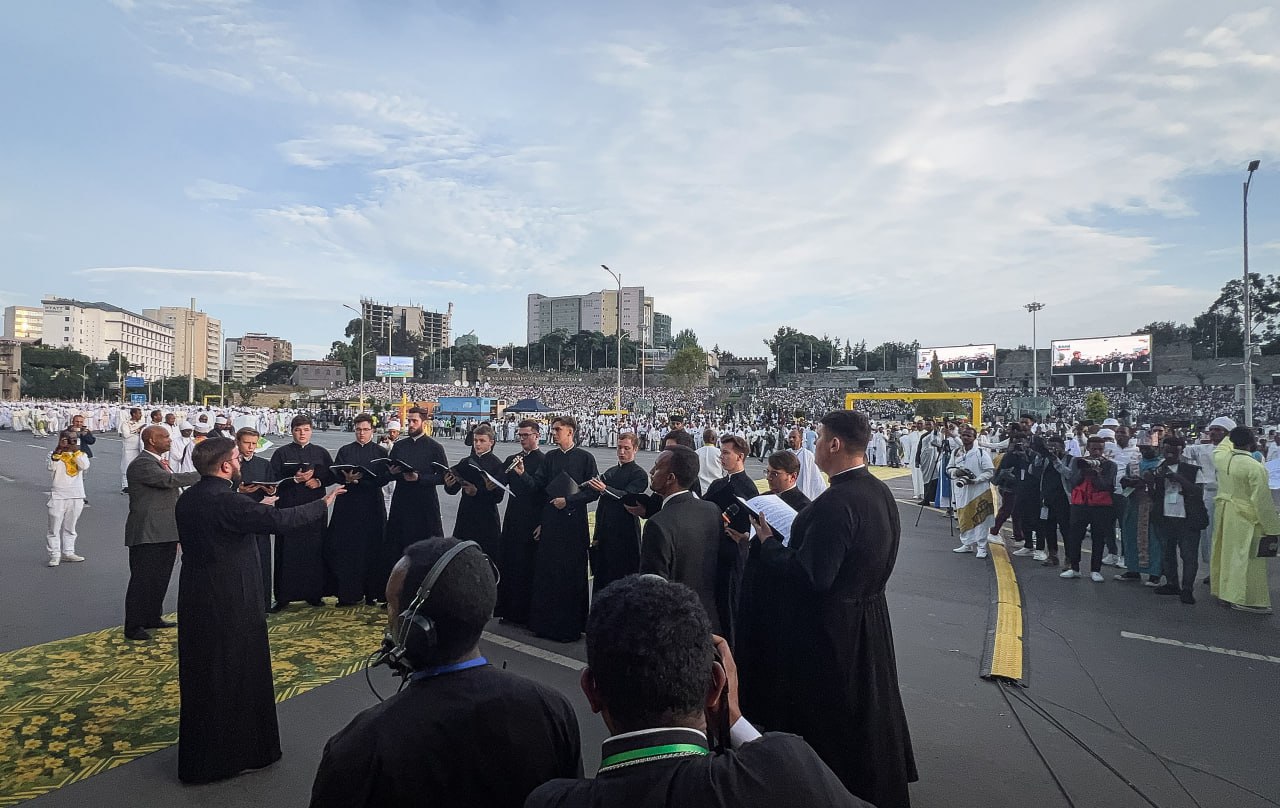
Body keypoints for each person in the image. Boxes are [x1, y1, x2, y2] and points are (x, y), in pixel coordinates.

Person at [526, 575, 873, 808]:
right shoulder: (779, 770)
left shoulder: (551, 800)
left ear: (591, 691)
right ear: (716, 685)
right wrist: (733, 718)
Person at [309, 537, 582, 807]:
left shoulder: (358, 747)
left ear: (416, 625)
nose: (388, 618)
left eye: (392, 607)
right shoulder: (552, 709)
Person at [753, 409, 917, 807]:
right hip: (868, 617)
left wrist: (768, 544)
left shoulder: (835, 502)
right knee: (869, 712)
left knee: (833, 723)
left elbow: (812, 577)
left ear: (834, 444)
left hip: (831, 632)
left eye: (819, 436)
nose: (815, 443)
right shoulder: (878, 492)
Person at [175, 437, 343, 784]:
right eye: (236, 458)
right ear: (224, 466)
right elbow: (282, 521)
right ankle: (235, 754)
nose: (239, 463)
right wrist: (323, 502)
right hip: (231, 599)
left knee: (205, 675)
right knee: (237, 673)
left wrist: (259, 502)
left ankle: (203, 754)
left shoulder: (190, 497)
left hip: (196, 597)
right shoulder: (228, 502)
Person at [730, 450, 811, 732]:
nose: (770, 479)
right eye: (767, 473)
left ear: (793, 476)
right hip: (755, 578)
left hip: (779, 585)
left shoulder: (804, 507)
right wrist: (745, 538)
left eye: (775, 475)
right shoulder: (764, 500)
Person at [511, 415, 600, 642]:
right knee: (548, 573)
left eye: (558, 429)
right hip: (551, 522)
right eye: (553, 429)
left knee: (569, 573)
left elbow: (593, 491)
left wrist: (568, 501)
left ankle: (569, 627)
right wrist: (522, 474)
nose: (554, 433)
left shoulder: (585, 458)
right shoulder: (550, 458)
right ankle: (544, 624)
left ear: (570, 432)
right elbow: (538, 487)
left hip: (573, 523)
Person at [124, 424, 202, 641]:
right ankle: (133, 625)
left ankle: (151, 616)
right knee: (143, 580)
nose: (169, 440)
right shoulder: (143, 464)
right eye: (165, 437)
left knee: (159, 578)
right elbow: (169, 481)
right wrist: (203, 474)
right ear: (151, 440)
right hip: (147, 532)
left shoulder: (156, 462)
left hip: (165, 530)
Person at [639, 446, 727, 633]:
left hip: (675, 626)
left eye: (657, 468)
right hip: (708, 618)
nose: (652, 472)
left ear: (671, 478)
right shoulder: (711, 510)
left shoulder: (659, 523)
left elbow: (653, 591)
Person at [268, 415, 335, 610]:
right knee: (286, 551)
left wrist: (319, 482)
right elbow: (273, 480)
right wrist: (295, 480)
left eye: (305, 430)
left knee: (314, 549)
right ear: (292, 431)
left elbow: (332, 475)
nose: (302, 434)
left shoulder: (321, 453)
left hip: (314, 506)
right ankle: (283, 596)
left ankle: (313, 593)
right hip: (289, 506)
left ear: (311, 431)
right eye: (298, 430)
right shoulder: (281, 454)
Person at [1211, 426, 1280, 614]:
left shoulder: (1222, 458)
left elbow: (1220, 448)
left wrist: (1232, 431)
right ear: (1252, 442)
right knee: (1249, 559)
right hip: (1247, 517)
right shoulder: (1254, 467)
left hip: (1226, 512)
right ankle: (1247, 600)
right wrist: (1273, 529)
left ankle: (1224, 593)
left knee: (1226, 555)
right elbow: (1262, 502)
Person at [325, 414, 390, 606]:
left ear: (373, 430)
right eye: (358, 430)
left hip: (371, 504)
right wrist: (347, 479)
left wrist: (362, 480)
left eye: (365, 430)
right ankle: (347, 593)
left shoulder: (380, 451)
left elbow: (384, 478)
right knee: (347, 548)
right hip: (348, 505)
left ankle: (371, 593)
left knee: (372, 547)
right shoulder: (345, 450)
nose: (361, 433)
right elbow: (336, 473)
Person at [702, 434, 760, 646]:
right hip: (714, 552)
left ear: (740, 457)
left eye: (726, 453)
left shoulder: (747, 487)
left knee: (728, 608)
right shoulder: (719, 483)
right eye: (721, 453)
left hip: (732, 557)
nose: (722, 458)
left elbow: (750, 525)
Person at [383, 407, 449, 580]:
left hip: (424, 504)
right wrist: (393, 472)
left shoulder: (435, 447)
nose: (410, 425)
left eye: (414, 421)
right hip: (402, 502)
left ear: (423, 423)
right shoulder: (399, 446)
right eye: (409, 421)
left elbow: (443, 476)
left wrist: (419, 478)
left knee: (426, 548)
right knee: (397, 545)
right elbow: (390, 472)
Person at [585, 432, 649, 596]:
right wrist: (597, 534)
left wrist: (604, 489)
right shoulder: (611, 472)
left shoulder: (639, 475)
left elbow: (626, 497)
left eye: (626, 448)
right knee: (603, 578)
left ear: (635, 449)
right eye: (619, 448)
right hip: (606, 533)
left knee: (625, 580)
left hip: (626, 535)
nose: (622, 452)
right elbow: (601, 505)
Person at [495, 419, 544, 625]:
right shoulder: (512, 458)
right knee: (510, 562)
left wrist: (543, 523)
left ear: (537, 436)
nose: (522, 439)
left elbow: (542, 492)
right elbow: (499, 485)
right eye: (520, 435)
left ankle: (525, 613)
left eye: (526, 435)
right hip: (513, 516)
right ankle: (509, 610)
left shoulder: (544, 460)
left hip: (532, 519)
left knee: (527, 565)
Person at [1149, 436, 1208, 604]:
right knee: (1167, 553)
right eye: (1166, 450)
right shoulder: (1158, 469)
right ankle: (1172, 583)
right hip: (1164, 516)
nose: (1169, 454)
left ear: (1181, 450)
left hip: (1187, 518)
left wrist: (1178, 478)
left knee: (1188, 555)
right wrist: (1149, 482)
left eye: (1173, 450)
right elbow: (1154, 496)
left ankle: (1187, 589)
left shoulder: (1193, 469)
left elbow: (1198, 492)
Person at [443, 422, 506, 560]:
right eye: (475, 440)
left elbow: (499, 497)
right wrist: (449, 484)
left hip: (486, 518)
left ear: (491, 442)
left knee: (485, 556)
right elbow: (453, 489)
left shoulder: (497, 465)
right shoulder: (466, 461)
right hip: (466, 514)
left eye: (482, 441)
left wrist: (478, 492)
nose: (477, 444)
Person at [1061, 436, 1118, 582]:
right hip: (1079, 504)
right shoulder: (1078, 462)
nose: (1097, 452)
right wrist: (1083, 470)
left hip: (1100, 506)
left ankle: (1095, 569)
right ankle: (1074, 568)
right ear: (1088, 448)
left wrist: (1096, 475)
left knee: (1098, 538)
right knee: (1075, 536)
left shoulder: (1110, 465)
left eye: (1100, 449)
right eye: (1094, 448)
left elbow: (1107, 486)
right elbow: (1073, 482)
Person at [1184, 416, 1234, 584]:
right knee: (1209, 533)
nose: (1213, 433)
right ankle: (1214, 569)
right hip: (1209, 495)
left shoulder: (1235, 450)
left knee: (1226, 533)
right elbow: (1181, 451)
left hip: (1230, 496)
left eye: (1218, 430)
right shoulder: (1202, 449)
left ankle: (1228, 572)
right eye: (1211, 429)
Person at [234, 427, 275, 611]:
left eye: (254, 444)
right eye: (247, 443)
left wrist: (271, 490)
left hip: (259, 517)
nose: (251, 447)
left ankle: (263, 604)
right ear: (237, 442)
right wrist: (237, 490)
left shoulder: (264, 464)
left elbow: (273, 486)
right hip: (237, 517)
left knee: (262, 561)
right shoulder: (230, 463)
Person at [948, 425, 996, 559]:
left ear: (975, 437)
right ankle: (967, 544)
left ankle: (981, 547)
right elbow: (949, 469)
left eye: (969, 435)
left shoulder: (981, 453)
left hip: (979, 490)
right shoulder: (956, 452)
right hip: (962, 491)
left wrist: (975, 480)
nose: (965, 438)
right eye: (963, 435)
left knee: (980, 518)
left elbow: (989, 472)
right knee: (964, 516)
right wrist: (956, 472)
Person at [46, 429, 89, 567]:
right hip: (58, 495)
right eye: (66, 440)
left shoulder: (81, 455)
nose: (70, 442)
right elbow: (50, 467)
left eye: (73, 440)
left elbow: (84, 466)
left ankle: (68, 552)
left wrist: (75, 449)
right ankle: (55, 554)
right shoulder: (54, 455)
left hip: (76, 494)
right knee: (54, 527)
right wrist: (59, 449)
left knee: (70, 527)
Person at [788, 428, 828, 501]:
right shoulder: (786, 454)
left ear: (801, 439)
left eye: (794, 437)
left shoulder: (808, 455)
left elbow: (815, 476)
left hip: (802, 489)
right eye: (790, 437)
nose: (791, 439)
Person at [69, 414, 96, 503]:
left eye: (81, 422)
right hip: (71, 457)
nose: (79, 423)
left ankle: (79, 496)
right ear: (73, 422)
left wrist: (84, 434)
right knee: (71, 477)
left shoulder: (85, 431)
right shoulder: (67, 431)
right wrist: (75, 433)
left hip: (83, 456)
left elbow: (91, 441)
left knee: (81, 478)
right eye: (77, 421)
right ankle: (71, 495)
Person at [119, 406, 144, 493]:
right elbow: (126, 435)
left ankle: (137, 484)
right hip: (129, 448)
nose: (140, 415)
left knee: (138, 467)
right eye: (139, 413)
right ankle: (125, 485)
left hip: (139, 448)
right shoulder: (126, 423)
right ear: (134, 414)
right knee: (126, 466)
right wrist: (137, 431)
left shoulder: (142, 423)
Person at [696, 428, 724, 493]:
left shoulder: (696, 453)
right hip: (717, 488)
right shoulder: (719, 453)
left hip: (701, 488)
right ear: (713, 439)